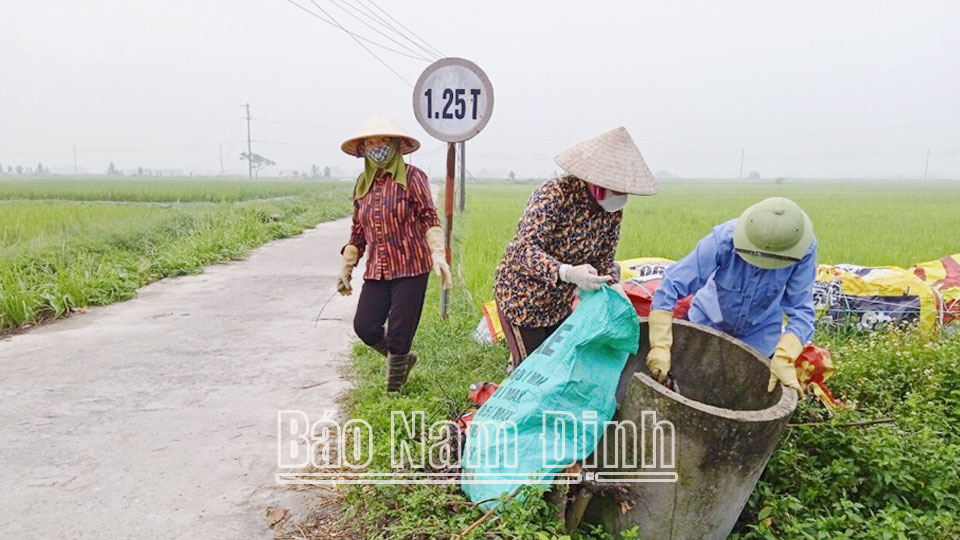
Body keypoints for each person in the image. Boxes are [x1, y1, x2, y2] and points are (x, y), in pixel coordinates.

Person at [494, 127, 658, 368]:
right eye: (616, 189)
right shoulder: (554, 195)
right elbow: (523, 250)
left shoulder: (611, 211)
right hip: (523, 299)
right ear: (597, 182)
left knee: (559, 365)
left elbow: (605, 258)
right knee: (530, 369)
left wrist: (612, 284)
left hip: (560, 304)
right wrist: (567, 272)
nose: (620, 196)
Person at [646, 197, 817, 395]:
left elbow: (802, 310)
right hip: (707, 322)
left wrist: (785, 355)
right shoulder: (724, 239)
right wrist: (660, 344)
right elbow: (671, 284)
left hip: (759, 334)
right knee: (689, 385)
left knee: (741, 395)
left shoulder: (803, 250)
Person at [336, 113, 452, 392]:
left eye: (383, 141)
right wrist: (347, 266)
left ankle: (393, 392)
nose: (377, 146)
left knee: (400, 334)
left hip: (411, 267)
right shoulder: (363, 184)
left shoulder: (413, 178)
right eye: (371, 142)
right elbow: (358, 231)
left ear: (396, 146)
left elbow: (428, 218)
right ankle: (403, 361)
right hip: (378, 269)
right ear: (363, 149)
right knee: (365, 326)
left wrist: (438, 254)